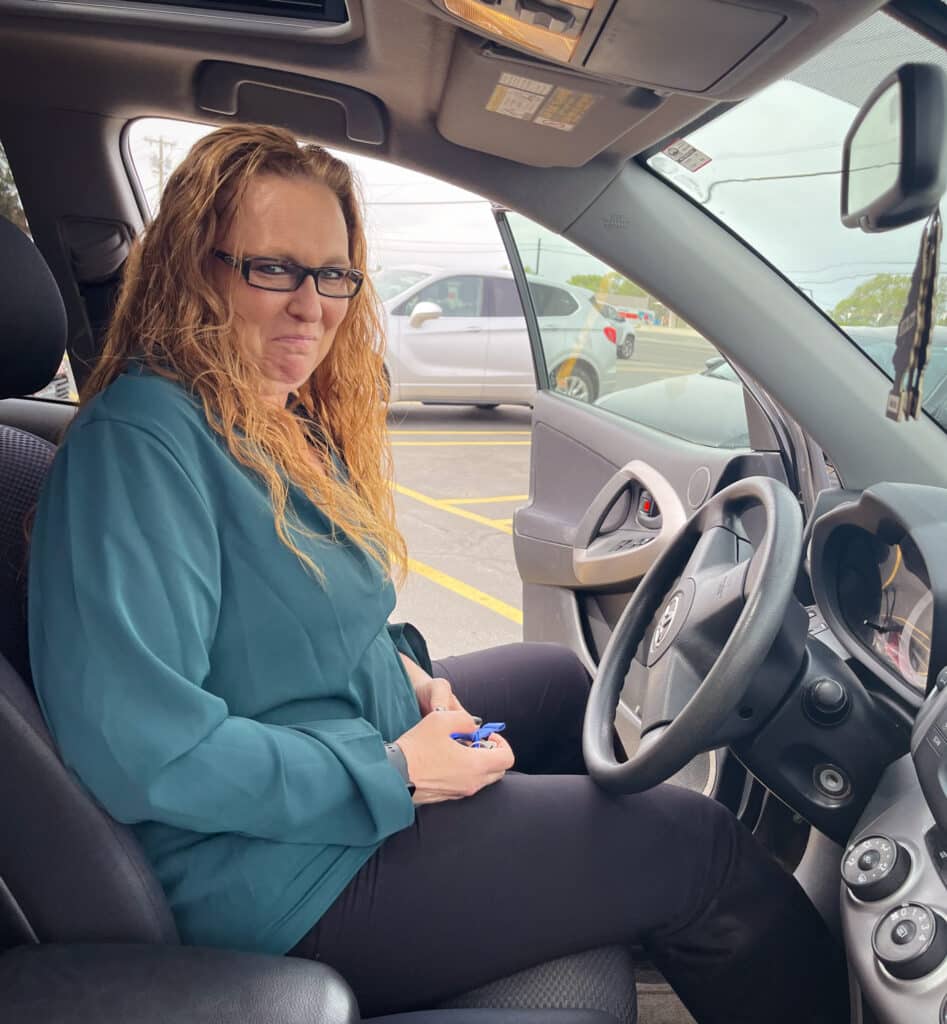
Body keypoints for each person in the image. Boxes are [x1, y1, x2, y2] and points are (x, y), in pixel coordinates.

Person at [28, 124, 848, 1024]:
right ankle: (660, 891)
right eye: (273, 268)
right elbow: (143, 752)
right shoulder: (139, 446)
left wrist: (417, 684)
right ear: (196, 268)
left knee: (552, 679)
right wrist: (395, 774)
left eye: (334, 274)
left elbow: (307, 621)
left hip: (333, 767)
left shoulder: (266, 418)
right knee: (695, 847)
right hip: (274, 875)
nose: (314, 305)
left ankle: (605, 890)